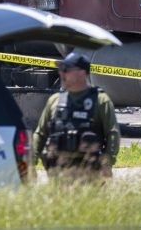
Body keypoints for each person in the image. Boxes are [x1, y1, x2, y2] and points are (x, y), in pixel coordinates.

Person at [33, 51, 120, 179]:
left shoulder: (100, 100)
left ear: (82, 73)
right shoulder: (54, 101)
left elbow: (112, 133)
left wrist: (107, 163)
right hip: (58, 176)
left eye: (66, 70)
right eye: (61, 70)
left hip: (90, 177)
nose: (61, 73)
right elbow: (40, 134)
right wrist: (31, 160)